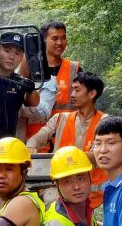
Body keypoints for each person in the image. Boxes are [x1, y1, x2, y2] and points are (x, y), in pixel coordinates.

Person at [27, 71, 108, 208]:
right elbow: (39, 137)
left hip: (93, 195)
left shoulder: (105, 122)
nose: (72, 95)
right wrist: (30, 146)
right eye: (72, 90)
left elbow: (99, 154)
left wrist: (66, 158)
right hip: (59, 188)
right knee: (50, 203)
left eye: (77, 90)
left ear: (92, 94)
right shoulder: (60, 118)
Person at [23, 21, 81, 152]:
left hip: (66, 142)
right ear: (43, 40)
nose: (60, 43)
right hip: (34, 143)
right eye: (54, 38)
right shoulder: (29, 69)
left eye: (63, 38)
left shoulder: (74, 69)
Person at [0, 32, 39, 142]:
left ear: (22, 57)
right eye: (7, 51)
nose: (11, 57)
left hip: (5, 144)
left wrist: (31, 89)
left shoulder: (19, 83)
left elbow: (34, 103)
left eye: (17, 53)